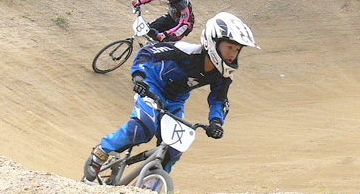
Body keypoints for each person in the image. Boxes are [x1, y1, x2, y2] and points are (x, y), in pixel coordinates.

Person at [83, 12, 260, 181]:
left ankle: (154, 182)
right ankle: (102, 151)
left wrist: (216, 122)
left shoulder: (223, 75)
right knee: (143, 127)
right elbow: (148, 52)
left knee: (175, 148)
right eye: (229, 47)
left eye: (237, 49)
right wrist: (139, 76)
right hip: (153, 85)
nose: (232, 54)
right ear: (212, 42)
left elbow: (219, 100)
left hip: (175, 100)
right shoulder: (185, 51)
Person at [131, 0, 195, 42]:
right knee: (150, 29)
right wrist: (139, 0)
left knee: (167, 41)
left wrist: (165, 34)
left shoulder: (184, 5)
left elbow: (183, 25)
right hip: (171, 16)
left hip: (183, 25)